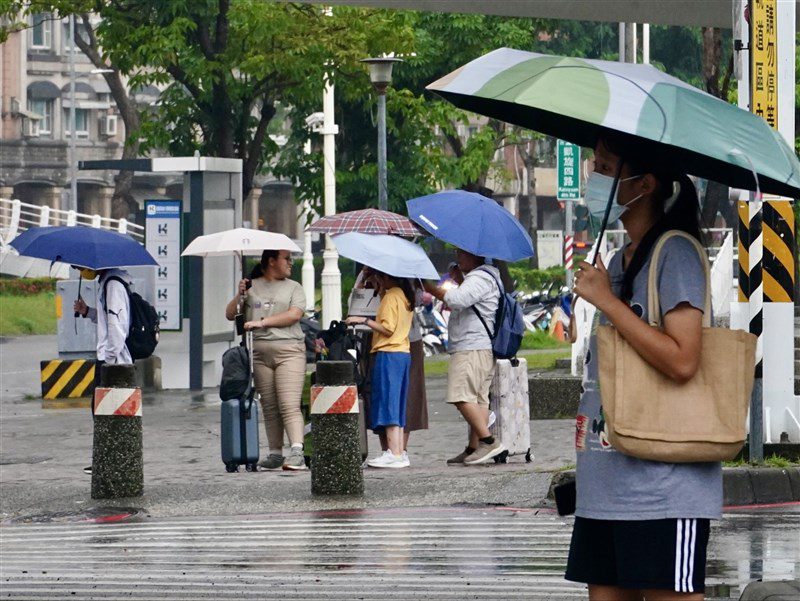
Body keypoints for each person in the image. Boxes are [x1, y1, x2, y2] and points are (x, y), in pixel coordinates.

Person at [566, 131, 715, 599]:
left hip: (663, 490)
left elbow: (683, 359)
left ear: (644, 184)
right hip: (605, 483)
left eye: (606, 170)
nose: (595, 179)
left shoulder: (676, 253)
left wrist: (608, 303)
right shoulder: (616, 260)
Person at [225, 249, 307, 471]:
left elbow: (295, 315)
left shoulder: (294, 287)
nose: (290, 263)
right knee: (269, 406)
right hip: (259, 355)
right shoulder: (251, 287)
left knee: (288, 404)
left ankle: (297, 452)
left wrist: (262, 322)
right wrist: (240, 294)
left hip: (289, 351)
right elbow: (231, 314)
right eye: (286, 259)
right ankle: (275, 453)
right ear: (271, 262)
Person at [424, 249, 505, 466]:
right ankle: (473, 448)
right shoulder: (483, 277)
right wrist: (460, 279)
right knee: (478, 399)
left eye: (462, 254)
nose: (458, 258)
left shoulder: (481, 277)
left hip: (471, 347)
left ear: (476, 256)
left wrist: (428, 287)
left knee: (460, 395)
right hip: (479, 347)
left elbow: (457, 300)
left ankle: (489, 442)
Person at [346, 270, 413, 469]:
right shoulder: (402, 294)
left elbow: (388, 328)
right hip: (402, 352)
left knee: (388, 400)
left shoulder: (391, 296)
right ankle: (399, 451)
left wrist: (363, 320)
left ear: (384, 277)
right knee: (397, 401)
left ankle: (393, 453)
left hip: (388, 352)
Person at [73, 266, 132, 475]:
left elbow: (117, 326)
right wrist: (87, 311)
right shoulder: (108, 283)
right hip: (110, 358)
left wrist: (108, 359)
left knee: (106, 412)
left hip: (112, 362)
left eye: (80, 267)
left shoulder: (113, 285)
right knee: (103, 412)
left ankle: (109, 462)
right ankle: (107, 459)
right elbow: (109, 319)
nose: (80, 271)